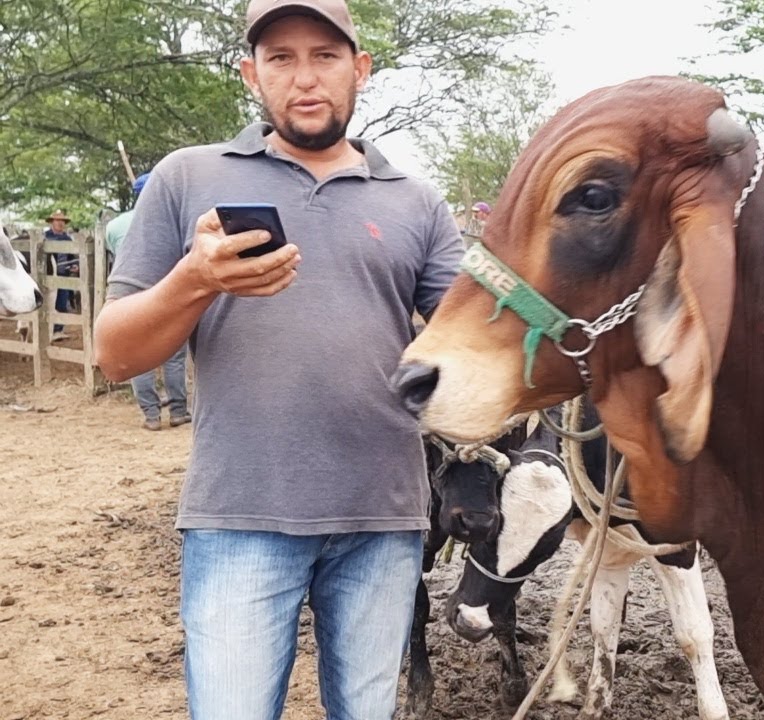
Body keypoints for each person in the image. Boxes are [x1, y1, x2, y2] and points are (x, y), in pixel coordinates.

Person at [93, 0, 463, 716]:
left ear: (360, 69)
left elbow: (475, 330)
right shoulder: (186, 176)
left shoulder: (417, 201)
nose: (305, 78)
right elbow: (115, 355)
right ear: (250, 75)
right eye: (281, 58)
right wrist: (194, 279)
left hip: (382, 517)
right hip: (238, 512)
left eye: (325, 56)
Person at [107, 172, 190, 431]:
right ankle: (178, 411)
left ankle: (151, 415)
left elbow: (118, 257)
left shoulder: (115, 226)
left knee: (138, 355)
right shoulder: (174, 220)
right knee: (175, 357)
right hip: (169, 292)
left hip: (132, 295)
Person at [44, 209, 76, 341]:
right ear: (52, 222)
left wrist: (75, 266)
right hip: (47, 274)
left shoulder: (68, 239)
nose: (60, 223)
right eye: (57, 220)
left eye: (62, 221)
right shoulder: (45, 237)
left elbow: (72, 257)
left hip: (63, 274)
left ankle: (58, 330)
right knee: (47, 303)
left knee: (62, 303)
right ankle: (46, 330)